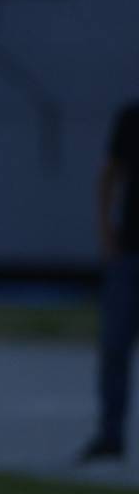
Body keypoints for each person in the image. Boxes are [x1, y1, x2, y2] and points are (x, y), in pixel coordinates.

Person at [80, 100, 139, 462]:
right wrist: (105, 231)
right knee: (114, 346)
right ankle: (110, 436)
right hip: (130, 250)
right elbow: (109, 173)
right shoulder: (131, 118)